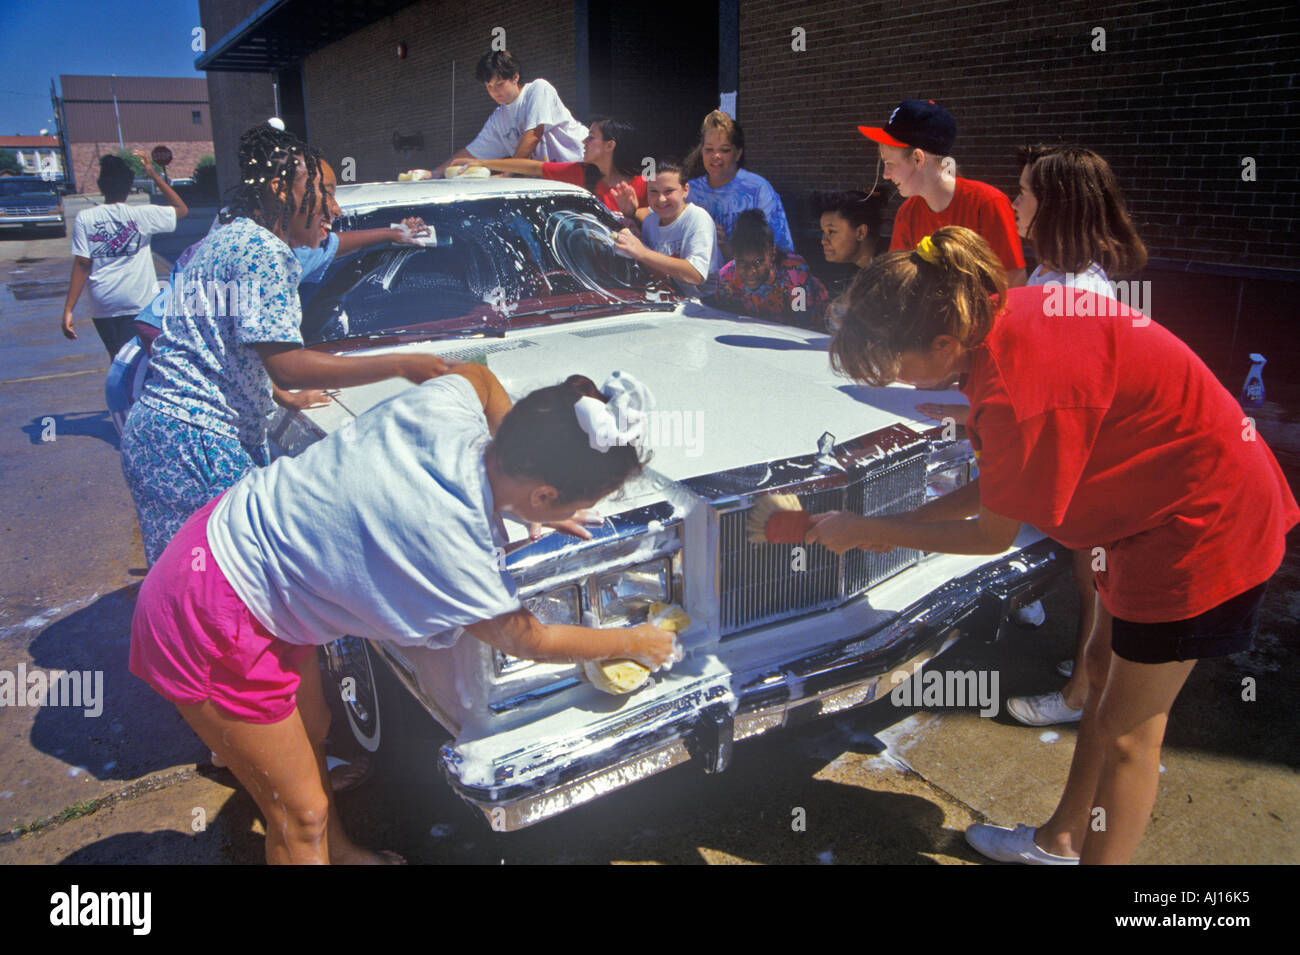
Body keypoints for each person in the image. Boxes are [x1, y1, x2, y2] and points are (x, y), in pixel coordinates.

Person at [811, 226, 1298, 864]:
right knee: (1097, 676)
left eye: (897, 365)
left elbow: (991, 533)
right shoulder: (1004, 316)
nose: (897, 382)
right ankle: (1062, 839)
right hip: (1147, 509)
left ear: (943, 342)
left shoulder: (1013, 386)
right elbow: (1008, 483)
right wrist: (908, 517)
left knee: (1129, 739)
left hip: (1202, 529)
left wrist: (869, 530)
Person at [129, 362, 681, 864]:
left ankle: (340, 856)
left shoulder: (444, 409)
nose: (582, 512)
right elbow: (527, 638)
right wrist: (633, 641)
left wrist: (534, 488)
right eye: (577, 501)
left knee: (314, 729)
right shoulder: (457, 545)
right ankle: (317, 846)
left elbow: (483, 380)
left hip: (236, 548)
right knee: (299, 816)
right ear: (543, 496)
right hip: (208, 619)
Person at [120, 125, 446, 565]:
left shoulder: (229, 236)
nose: (335, 208)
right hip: (197, 441)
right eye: (325, 192)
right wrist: (405, 364)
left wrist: (277, 396)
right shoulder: (264, 251)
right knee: (231, 583)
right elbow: (287, 363)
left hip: (161, 434)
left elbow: (224, 343)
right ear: (278, 188)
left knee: (185, 582)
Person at [915, 145, 1150, 727]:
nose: (1015, 202)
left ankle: (1081, 695)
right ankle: (1087, 674)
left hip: (1105, 467)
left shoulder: (1080, 292)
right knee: (1085, 572)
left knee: (1096, 578)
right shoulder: (1052, 272)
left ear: (1055, 205)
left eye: (1023, 193)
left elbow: (1056, 399)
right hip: (1089, 462)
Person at [859, 99, 1027, 287]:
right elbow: (898, 283)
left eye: (889, 164)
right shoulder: (906, 215)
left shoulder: (987, 203)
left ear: (917, 158)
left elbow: (1013, 285)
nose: (885, 175)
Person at [60, 152, 186, 358]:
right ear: (129, 186)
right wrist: (152, 174)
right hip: (138, 301)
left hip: (103, 303)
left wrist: (68, 309)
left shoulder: (86, 218)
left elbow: (82, 264)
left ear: (100, 185)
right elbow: (181, 209)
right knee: (141, 362)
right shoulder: (142, 215)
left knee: (117, 359)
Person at [439, 117, 649, 221]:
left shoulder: (644, 184)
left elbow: (665, 225)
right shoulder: (582, 173)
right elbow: (534, 167)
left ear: (610, 145)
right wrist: (484, 163)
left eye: (591, 137)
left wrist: (633, 212)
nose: (584, 141)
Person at [421, 50, 586, 178]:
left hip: (582, 167)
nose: (495, 92)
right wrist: (434, 173)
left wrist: (507, 174)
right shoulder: (498, 118)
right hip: (552, 178)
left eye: (500, 84)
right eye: (489, 86)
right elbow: (471, 153)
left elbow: (533, 135)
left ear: (515, 77)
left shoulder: (538, 89)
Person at [684, 110, 794, 258]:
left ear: (738, 153)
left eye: (724, 150)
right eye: (709, 149)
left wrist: (725, 245)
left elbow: (780, 247)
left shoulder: (758, 189)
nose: (716, 156)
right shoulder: (688, 191)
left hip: (748, 276)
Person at [613, 159, 720, 297]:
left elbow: (696, 274)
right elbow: (655, 269)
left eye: (668, 191)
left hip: (706, 307)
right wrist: (632, 222)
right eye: (653, 191)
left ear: (685, 190)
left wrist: (643, 253)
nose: (661, 199)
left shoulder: (697, 218)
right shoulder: (650, 222)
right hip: (670, 303)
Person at [713, 209, 829, 328]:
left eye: (758, 262)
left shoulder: (794, 273)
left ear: (772, 254)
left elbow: (804, 322)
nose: (751, 271)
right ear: (734, 256)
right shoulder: (726, 278)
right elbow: (728, 323)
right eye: (742, 262)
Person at [814, 189, 885, 271]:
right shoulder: (859, 273)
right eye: (823, 231)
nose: (823, 241)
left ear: (860, 233)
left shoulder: (891, 278)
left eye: (831, 231)